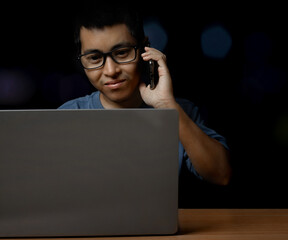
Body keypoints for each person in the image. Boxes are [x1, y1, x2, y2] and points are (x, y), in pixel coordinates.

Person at [59, 2, 231, 186]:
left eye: (122, 53)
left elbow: (221, 174)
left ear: (145, 49)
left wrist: (167, 106)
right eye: (94, 58)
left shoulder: (181, 112)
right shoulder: (67, 116)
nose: (110, 70)